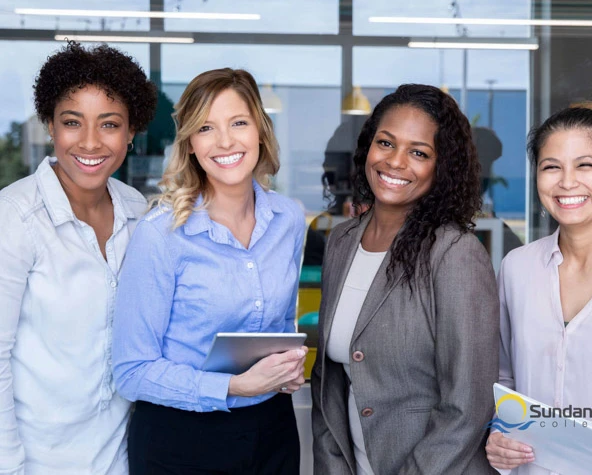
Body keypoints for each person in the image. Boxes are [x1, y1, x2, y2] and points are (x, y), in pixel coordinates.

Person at [112, 68, 307, 475]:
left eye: (238, 122)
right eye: (205, 128)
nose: (225, 141)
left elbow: (279, 325)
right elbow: (132, 372)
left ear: (260, 129)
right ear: (191, 144)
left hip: (272, 430)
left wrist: (285, 367)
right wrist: (234, 387)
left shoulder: (288, 218)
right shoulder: (162, 233)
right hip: (181, 441)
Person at [311, 84, 500, 475]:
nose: (396, 162)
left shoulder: (454, 253)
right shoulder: (343, 242)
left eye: (419, 152)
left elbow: (468, 406)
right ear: (368, 148)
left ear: (441, 166)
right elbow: (327, 383)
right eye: (386, 143)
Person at [0, 41, 157, 474]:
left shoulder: (138, 212)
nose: (90, 142)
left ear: (130, 132)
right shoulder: (15, 218)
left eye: (109, 124)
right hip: (37, 462)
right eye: (73, 122)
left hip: (123, 457)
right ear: (51, 125)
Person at [486, 101, 592, 475]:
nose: (567, 182)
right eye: (551, 167)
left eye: (586, 165)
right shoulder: (517, 268)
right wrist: (497, 433)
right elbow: (504, 376)